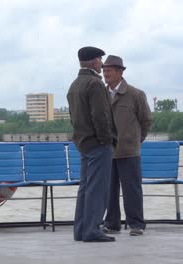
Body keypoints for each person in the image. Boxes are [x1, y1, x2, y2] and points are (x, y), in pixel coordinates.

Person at [67, 46, 117, 242]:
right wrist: (107, 140)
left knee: (85, 188)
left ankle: (80, 230)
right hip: (98, 144)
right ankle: (92, 230)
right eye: (100, 60)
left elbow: (74, 118)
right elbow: (101, 116)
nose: (102, 64)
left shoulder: (74, 85)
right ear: (94, 61)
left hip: (83, 143)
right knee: (97, 188)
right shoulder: (94, 84)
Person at [102, 55, 152, 236]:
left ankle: (136, 224)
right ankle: (111, 224)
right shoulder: (101, 93)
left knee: (132, 189)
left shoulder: (135, 94)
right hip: (107, 151)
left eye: (109, 70)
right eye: (104, 70)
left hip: (129, 150)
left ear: (120, 72)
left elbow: (146, 121)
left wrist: (136, 140)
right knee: (109, 189)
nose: (105, 73)